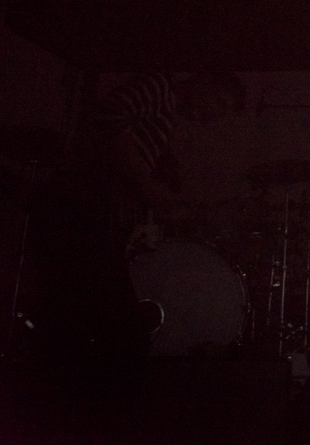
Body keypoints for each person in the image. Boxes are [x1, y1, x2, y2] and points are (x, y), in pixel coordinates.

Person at [29, 70, 245, 386]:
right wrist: (150, 188)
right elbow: (107, 119)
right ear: (205, 82)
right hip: (80, 206)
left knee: (86, 309)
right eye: (221, 104)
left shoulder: (164, 121)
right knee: (109, 314)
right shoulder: (158, 87)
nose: (215, 115)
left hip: (95, 213)